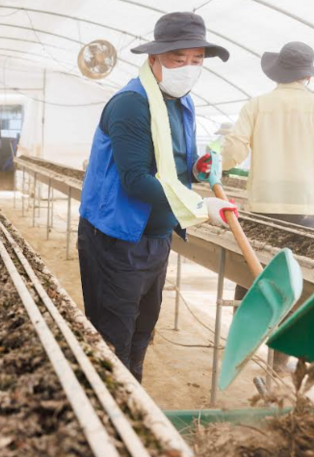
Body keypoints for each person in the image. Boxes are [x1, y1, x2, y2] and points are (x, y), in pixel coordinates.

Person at [78, 12, 237, 383]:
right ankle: (111, 406)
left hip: (158, 236)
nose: (188, 68)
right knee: (112, 334)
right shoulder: (132, 103)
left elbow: (176, 165)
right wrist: (201, 206)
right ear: (154, 59)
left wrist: (198, 168)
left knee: (142, 328)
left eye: (196, 60)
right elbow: (135, 180)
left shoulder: (182, 101)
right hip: (118, 238)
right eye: (178, 59)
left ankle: (132, 393)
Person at [221, 41, 314, 371]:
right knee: (299, 282)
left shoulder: (257, 105)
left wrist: (216, 166)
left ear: (277, 73)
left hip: (264, 206)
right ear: (308, 77)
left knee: (251, 277)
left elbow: (233, 152)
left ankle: (242, 350)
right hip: (308, 209)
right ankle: (280, 360)